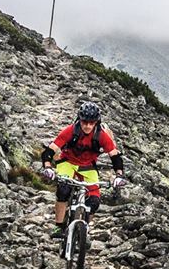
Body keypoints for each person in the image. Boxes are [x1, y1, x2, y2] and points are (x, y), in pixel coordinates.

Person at [40, 101, 127, 241]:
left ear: (96, 122)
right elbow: (49, 151)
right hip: (67, 162)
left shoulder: (102, 136)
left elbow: (115, 157)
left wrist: (119, 176)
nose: (87, 126)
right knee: (63, 190)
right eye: (84, 122)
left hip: (88, 167)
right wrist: (48, 167)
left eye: (91, 123)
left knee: (94, 202)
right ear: (79, 120)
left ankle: (84, 230)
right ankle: (59, 226)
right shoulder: (70, 131)